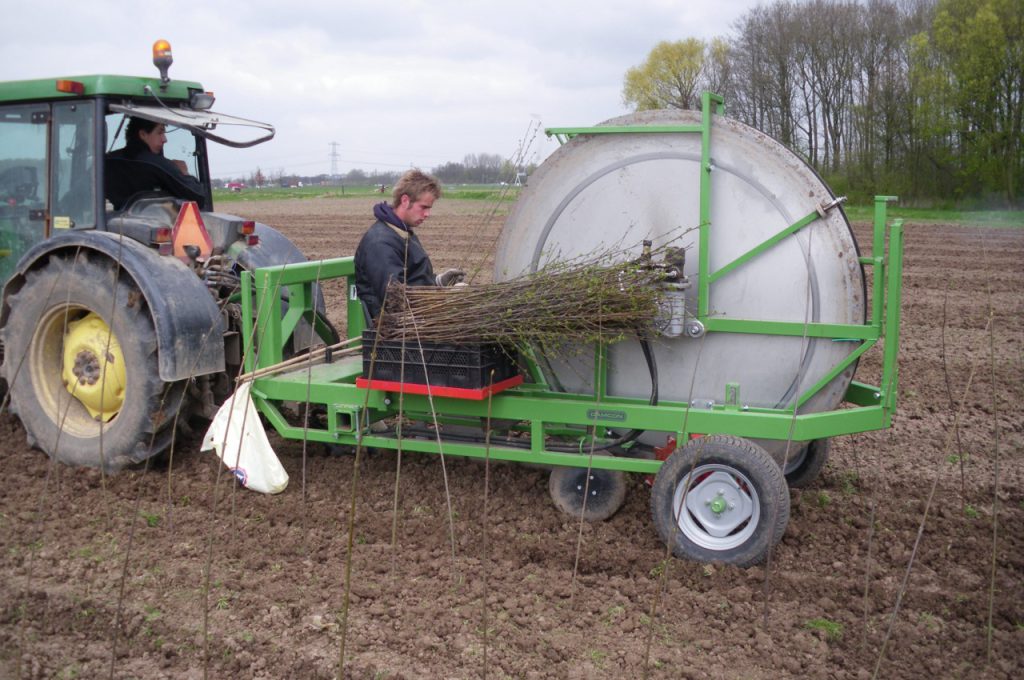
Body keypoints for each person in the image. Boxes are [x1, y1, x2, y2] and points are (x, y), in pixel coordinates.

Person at [354, 169, 464, 322]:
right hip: (396, 332)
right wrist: (444, 299)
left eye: (429, 208)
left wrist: (438, 282)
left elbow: (412, 279)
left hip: (416, 319)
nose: (427, 214)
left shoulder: (402, 231)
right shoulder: (380, 243)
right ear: (405, 201)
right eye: (424, 207)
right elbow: (395, 299)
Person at [105, 117, 207, 210]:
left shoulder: (107, 162)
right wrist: (184, 173)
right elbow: (198, 197)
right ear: (143, 134)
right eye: (160, 132)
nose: (164, 139)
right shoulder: (158, 165)